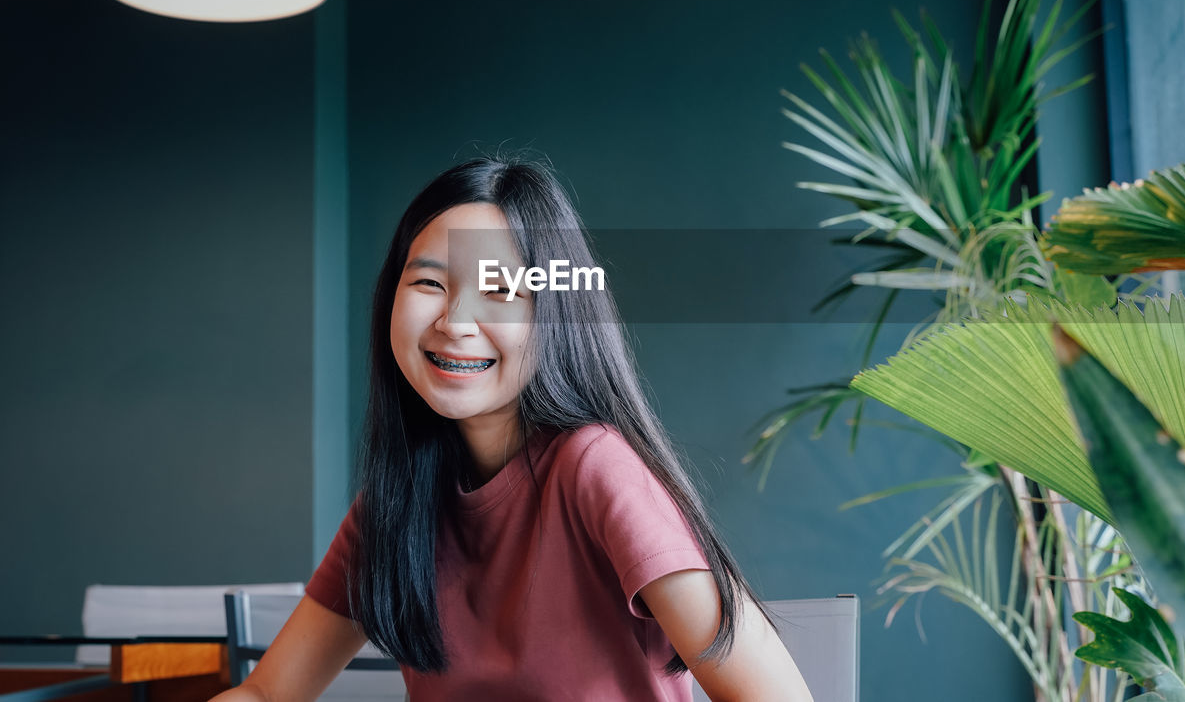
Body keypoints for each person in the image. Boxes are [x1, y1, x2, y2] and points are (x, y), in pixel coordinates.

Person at [210, 157, 811, 702]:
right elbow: (267, 694)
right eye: (429, 283)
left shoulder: (595, 466)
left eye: (502, 290)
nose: (456, 322)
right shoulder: (394, 503)